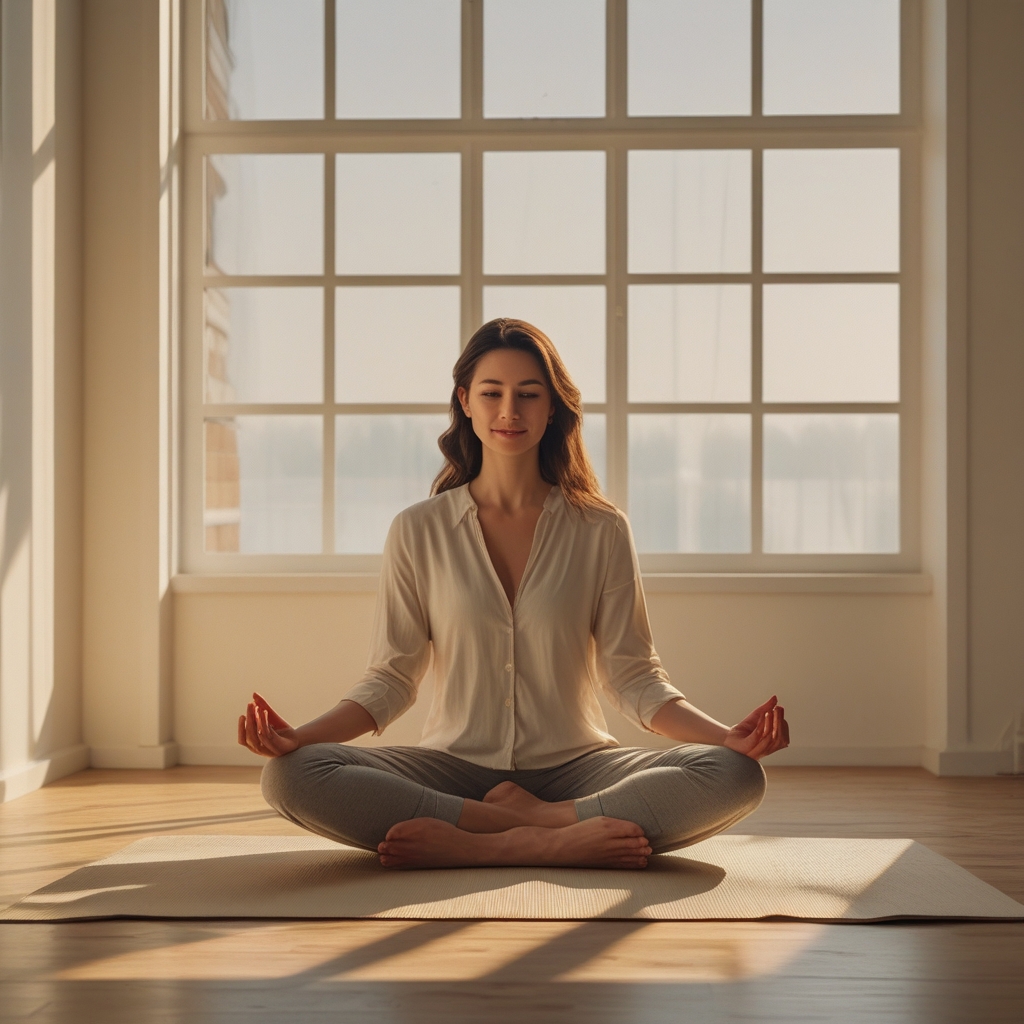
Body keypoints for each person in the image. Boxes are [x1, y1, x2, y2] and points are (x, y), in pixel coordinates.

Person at [239, 318, 789, 870]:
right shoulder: (417, 529)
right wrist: (297, 738)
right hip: (452, 769)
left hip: (578, 768)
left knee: (734, 774)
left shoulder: (601, 528)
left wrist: (727, 737)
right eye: (492, 393)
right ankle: (537, 835)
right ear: (465, 402)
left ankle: (505, 834)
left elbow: (633, 676)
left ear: (552, 408)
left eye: (529, 394)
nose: (510, 411)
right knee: (291, 776)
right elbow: (392, 679)